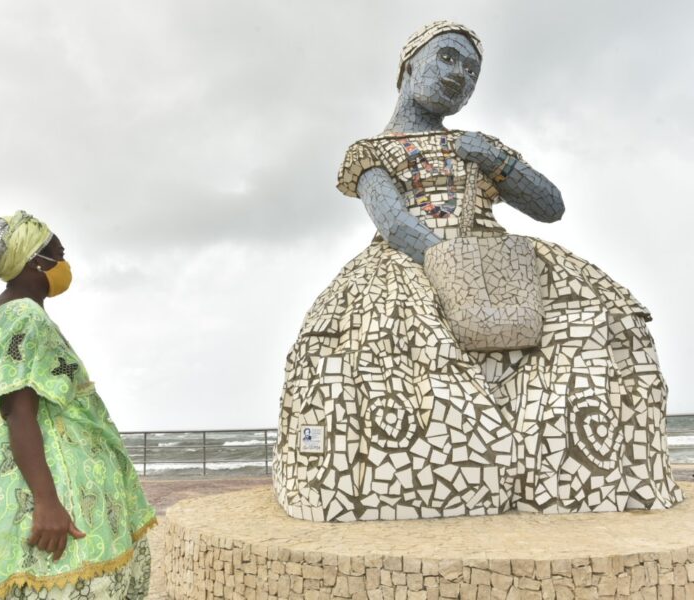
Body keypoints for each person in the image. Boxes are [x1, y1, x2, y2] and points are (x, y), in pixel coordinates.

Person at [273, 21, 683, 521]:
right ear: (408, 67)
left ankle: (575, 471)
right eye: (448, 58)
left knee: (601, 319)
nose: (459, 76)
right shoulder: (370, 153)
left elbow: (550, 206)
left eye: (471, 71)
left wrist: (496, 161)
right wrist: (458, 272)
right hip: (411, 264)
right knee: (377, 350)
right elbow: (396, 224)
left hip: (499, 254)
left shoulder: (477, 145)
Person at [0, 211, 156, 598]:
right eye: (58, 255)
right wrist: (47, 502)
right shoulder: (22, 316)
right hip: (29, 467)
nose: (65, 266)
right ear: (34, 261)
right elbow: (18, 410)